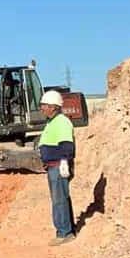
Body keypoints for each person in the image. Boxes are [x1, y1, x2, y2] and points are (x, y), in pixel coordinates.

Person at [37, 89, 77, 244]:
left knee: (59, 199)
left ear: (53, 107)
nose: (42, 108)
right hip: (53, 166)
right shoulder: (52, 122)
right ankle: (67, 230)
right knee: (60, 198)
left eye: (44, 105)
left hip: (58, 166)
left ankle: (64, 233)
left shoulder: (62, 122)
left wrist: (65, 162)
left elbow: (67, 145)